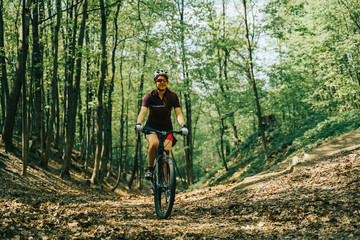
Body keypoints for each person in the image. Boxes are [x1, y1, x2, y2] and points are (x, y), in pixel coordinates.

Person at [135, 69, 188, 180]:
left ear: (167, 82)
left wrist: (183, 125)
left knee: (166, 153)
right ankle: (150, 168)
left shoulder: (172, 96)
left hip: (167, 128)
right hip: (152, 127)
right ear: (155, 82)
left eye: (164, 80)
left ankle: (166, 182)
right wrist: (139, 123)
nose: (162, 82)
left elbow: (178, 113)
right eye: (159, 80)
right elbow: (143, 111)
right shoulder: (150, 96)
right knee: (154, 144)